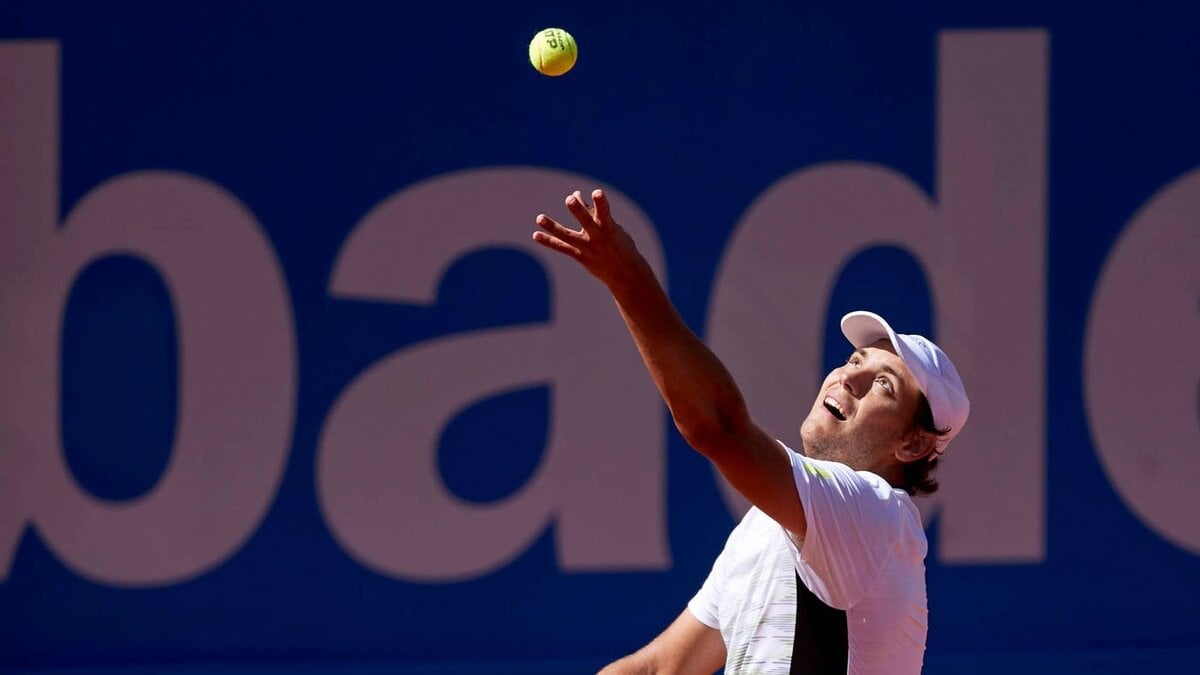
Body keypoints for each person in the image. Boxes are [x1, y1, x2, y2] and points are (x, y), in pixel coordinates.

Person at [532, 189, 971, 675]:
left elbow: (717, 428)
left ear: (913, 443)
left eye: (884, 385)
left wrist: (628, 278)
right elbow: (660, 668)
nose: (849, 378)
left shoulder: (877, 514)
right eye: (853, 361)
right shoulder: (767, 525)